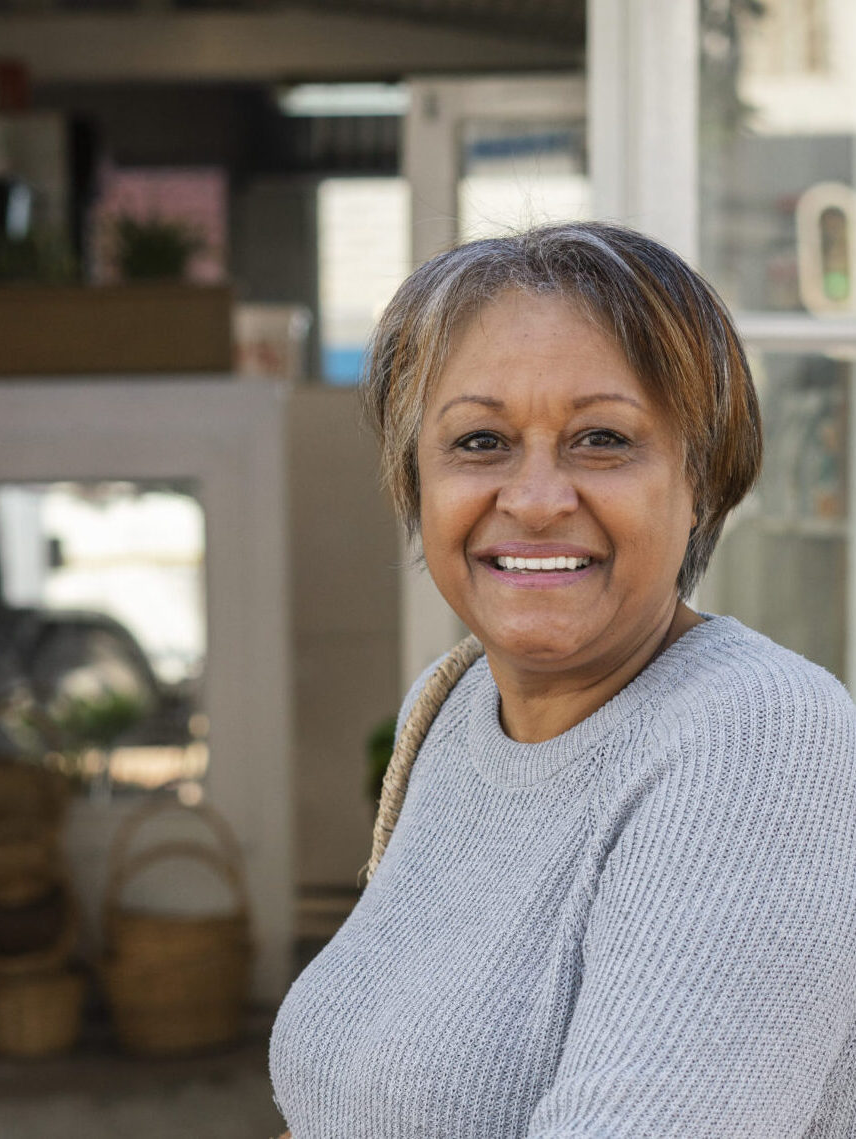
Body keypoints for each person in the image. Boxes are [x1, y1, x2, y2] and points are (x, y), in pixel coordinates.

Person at [269, 221, 856, 1138]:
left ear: (700, 479)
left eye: (600, 439)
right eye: (478, 442)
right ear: (413, 480)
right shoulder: (457, 703)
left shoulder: (757, 737)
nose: (536, 499)